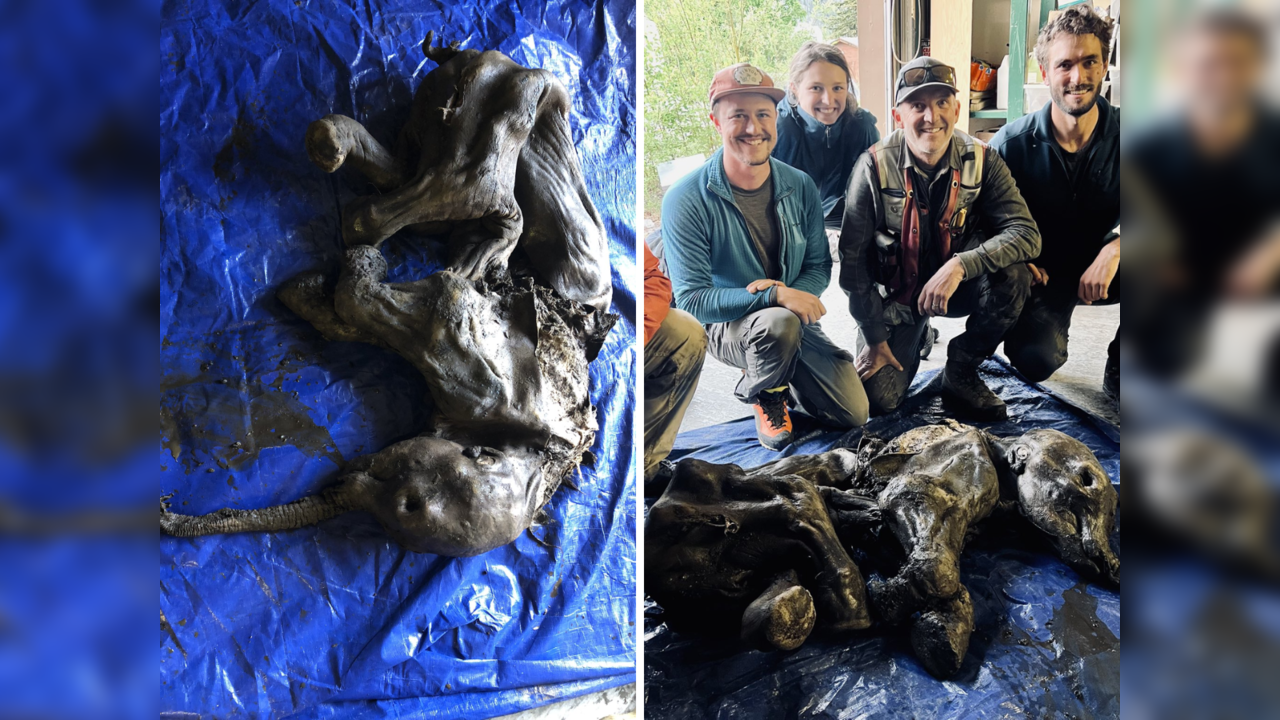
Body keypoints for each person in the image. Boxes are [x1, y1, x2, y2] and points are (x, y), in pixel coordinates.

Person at [662, 63, 868, 452]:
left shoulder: (799, 185)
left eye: (762, 115)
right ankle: (766, 392)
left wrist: (789, 296)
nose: (753, 127)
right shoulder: (685, 198)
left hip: (786, 318)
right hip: (727, 322)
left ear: (776, 118)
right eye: (738, 116)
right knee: (776, 324)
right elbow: (692, 299)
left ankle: (776, 361)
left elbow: (817, 266)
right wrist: (775, 297)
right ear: (715, 121)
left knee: (853, 413)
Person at [838, 56, 1041, 420]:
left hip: (958, 288)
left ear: (957, 108)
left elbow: (1026, 233)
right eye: (918, 105)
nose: (931, 117)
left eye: (942, 103)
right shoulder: (871, 167)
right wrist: (874, 336)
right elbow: (853, 268)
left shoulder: (983, 160)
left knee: (1015, 275)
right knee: (879, 400)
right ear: (898, 114)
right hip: (897, 297)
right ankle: (915, 335)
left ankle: (961, 368)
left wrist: (962, 265)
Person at [991, 4, 1120, 399]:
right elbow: (979, 219)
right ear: (1045, 73)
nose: (1077, 77)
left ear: (1104, 67)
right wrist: (1012, 255)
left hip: (1109, 265)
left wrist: (1118, 246)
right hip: (1042, 272)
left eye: (1089, 62)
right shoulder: (1010, 146)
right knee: (1035, 360)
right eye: (1065, 65)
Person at [773, 41, 880, 234]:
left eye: (837, 88)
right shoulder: (777, 128)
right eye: (816, 88)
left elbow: (878, 192)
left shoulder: (861, 127)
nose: (828, 101)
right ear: (794, 88)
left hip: (844, 222)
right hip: (789, 224)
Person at [643, 242, 706, 493]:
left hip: (613, 331)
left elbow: (651, 277)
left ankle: (646, 464)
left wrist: (635, 336)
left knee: (685, 333)